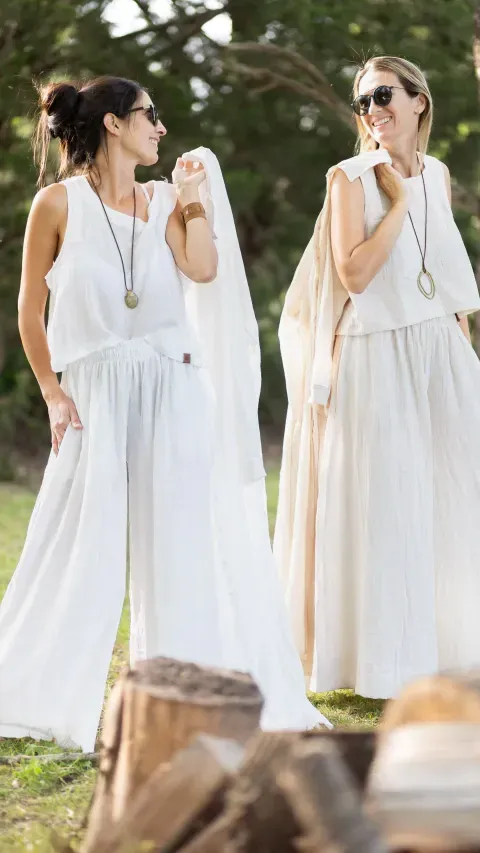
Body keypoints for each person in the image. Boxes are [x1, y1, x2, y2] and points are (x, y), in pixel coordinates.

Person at [0, 76, 330, 751]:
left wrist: (197, 202)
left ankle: (182, 693)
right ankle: (35, 693)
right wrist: (54, 394)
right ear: (115, 124)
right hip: (92, 391)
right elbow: (29, 312)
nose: (161, 128)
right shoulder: (55, 204)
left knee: (182, 544)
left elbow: (203, 269)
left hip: (172, 386)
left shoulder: (164, 199)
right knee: (77, 544)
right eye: (152, 115)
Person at [275, 56, 480, 700]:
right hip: (376, 355)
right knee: (388, 507)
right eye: (363, 102)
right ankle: (379, 665)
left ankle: (451, 651)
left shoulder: (440, 175)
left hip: (438, 351)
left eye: (384, 95)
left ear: (420, 101)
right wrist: (395, 205)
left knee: (451, 499)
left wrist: (461, 351)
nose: (372, 111)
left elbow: (442, 277)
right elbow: (355, 273)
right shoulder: (350, 178)